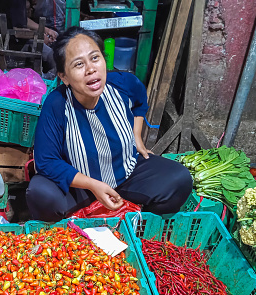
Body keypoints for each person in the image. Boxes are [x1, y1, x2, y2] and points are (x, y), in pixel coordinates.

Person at [26, 26, 193, 222]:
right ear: (64, 77)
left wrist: (137, 136)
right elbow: (46, 161)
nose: (91, 69)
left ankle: (132, 222)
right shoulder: (56, 104)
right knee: (40, 193)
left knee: (179, 180)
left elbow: (140, 100)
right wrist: (92, 185)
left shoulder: (122, 84)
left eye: (95, 58)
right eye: (79, 64)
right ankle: (75, 224)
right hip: (80, 186)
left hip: (125, 172)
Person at [0, 0, 58, 74]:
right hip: (15, 45)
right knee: (51, 56)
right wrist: (41, 37)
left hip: (13, 39)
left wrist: (46, 30)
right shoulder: (17, 2)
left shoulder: (18, 4)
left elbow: (22, 20)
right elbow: (18, 32)